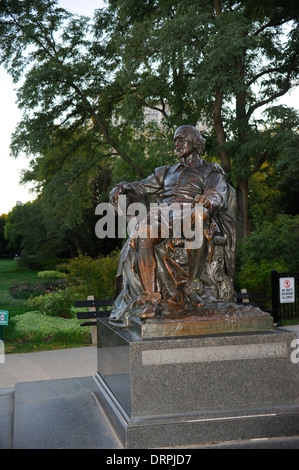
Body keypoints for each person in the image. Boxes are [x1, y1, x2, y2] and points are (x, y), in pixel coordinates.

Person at [109, 125, 236, 325]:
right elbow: (142, 186)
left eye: (181, 139)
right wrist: (124, 186)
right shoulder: (166, 171)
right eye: (175, 140)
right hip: (165, 216)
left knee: (200, 215)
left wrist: (207, 201)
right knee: (143, 232)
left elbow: (217, 194)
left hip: (193, 213)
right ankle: (151, 299)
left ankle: (193, 287)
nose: (176, 143)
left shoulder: (210, 169)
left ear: (195, 142)